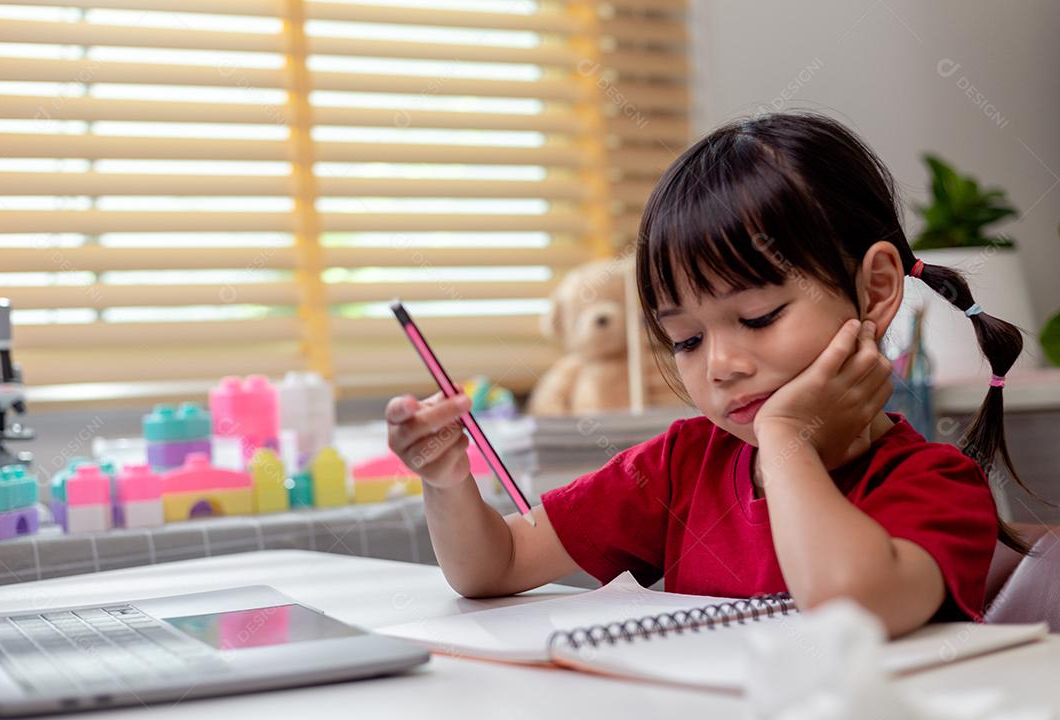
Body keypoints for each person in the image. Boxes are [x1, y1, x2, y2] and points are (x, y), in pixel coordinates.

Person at [385, 112, 1033, 638]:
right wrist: (446, 480)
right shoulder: (681, 466)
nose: (720, 364)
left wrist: (787, 438)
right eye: (687, 339)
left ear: (877, 288)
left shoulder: (938, 486)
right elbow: (493, 566)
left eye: (757, 317)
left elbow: (848, 610)